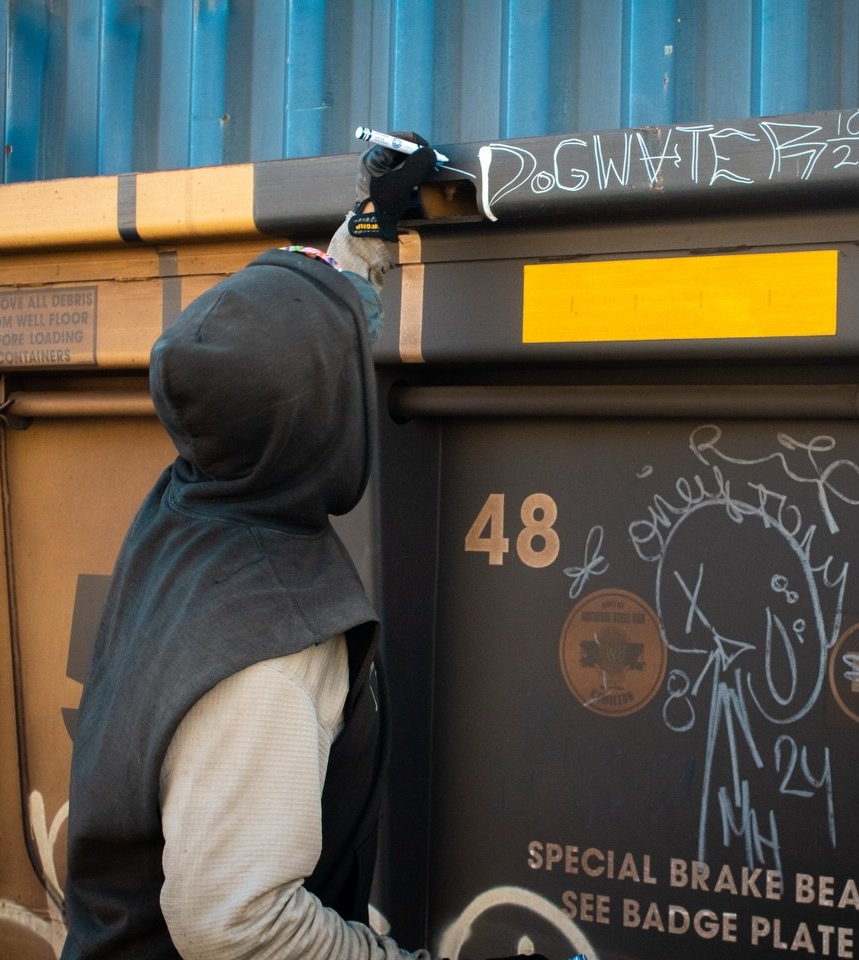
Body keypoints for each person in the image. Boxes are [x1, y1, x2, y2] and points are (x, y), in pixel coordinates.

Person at [61, 135, 546, 960]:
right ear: (326, 414)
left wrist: (368, 226)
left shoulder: (187, 505)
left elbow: (281, 357)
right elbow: (235, 924)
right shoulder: (275, 640)